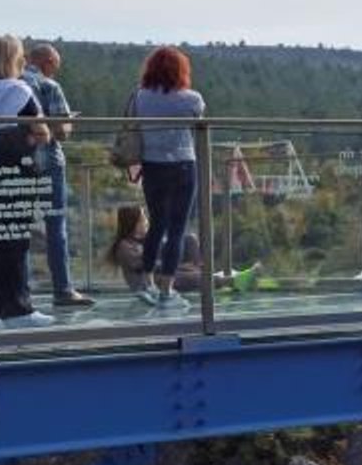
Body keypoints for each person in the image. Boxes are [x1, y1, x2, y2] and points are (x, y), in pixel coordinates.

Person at [0, 35, 56, 328]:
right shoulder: (20, 90)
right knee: (16, 240)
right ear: (14, 59)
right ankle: (20, 310)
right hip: (19, 170)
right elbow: (42, 132)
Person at [22, 43, 94, 307]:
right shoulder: (49, 86)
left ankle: (22, 290)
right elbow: (61, 132)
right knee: (55, 226)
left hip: (18, 161)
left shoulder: (12, 82)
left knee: (19, 226)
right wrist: (68, 121)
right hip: (48, 161)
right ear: (49, 63)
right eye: (56, 66)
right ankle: (62, 290)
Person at [133, 47, 205, 310]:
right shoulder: (192, 99)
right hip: (183, 164)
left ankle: (146, 282)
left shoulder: (140, 97)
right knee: (177, 229)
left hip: (152, 165)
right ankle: (167, 290)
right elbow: (199, 123)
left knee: (156, 225)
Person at [107, 205, 259, 296]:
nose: (147, 222)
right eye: (143, 219)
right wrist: (177, 266)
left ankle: (206, 274)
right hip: (149, 284)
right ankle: (232, 281)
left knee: (188, 239)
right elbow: (148, 265)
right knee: (184, 277)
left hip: (160, 273)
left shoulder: (144, 240)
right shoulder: (124, 247)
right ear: (132, 223)